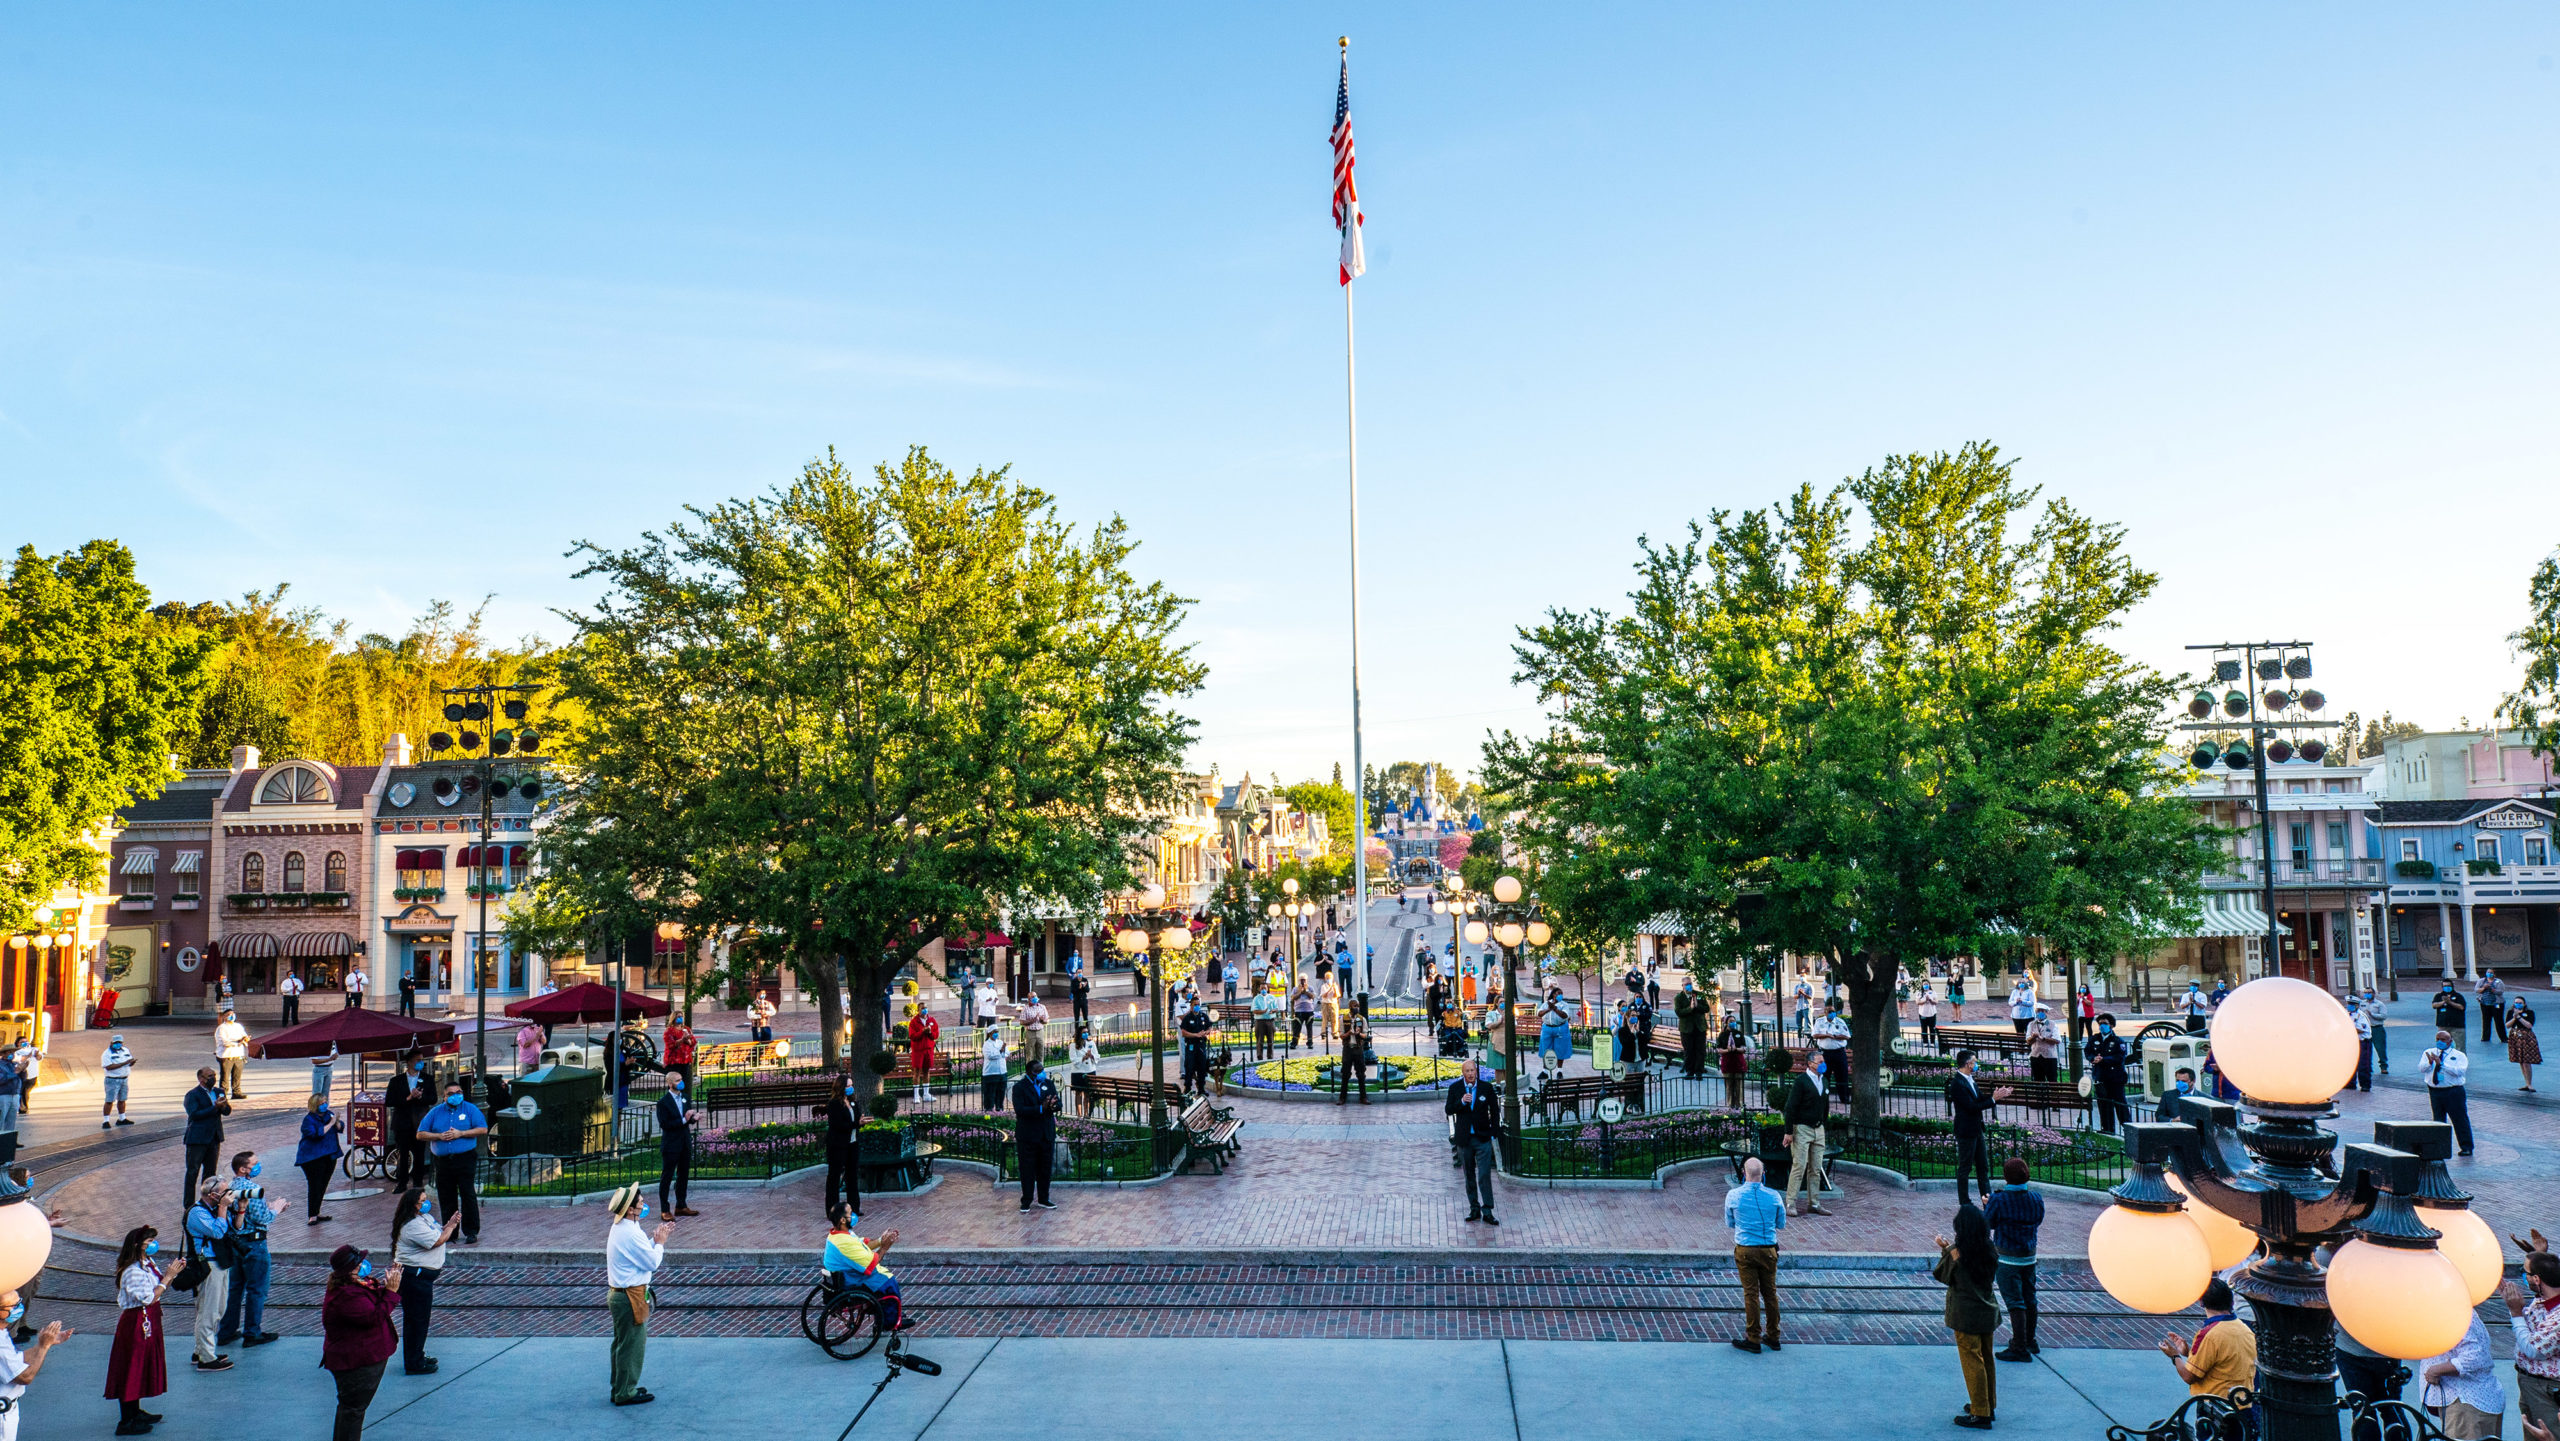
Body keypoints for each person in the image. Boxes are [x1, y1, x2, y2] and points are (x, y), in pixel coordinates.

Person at [319, 1244, 400, 1441]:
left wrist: (389, 1288)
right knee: (353, 1410)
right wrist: (391, 1292)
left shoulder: (354, 1286)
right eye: (360, 1263)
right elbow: (372, 1317)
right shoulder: (346, 1295)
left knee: (350, 1410)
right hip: (357, 1362)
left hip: (362, 1358)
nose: (364, 1265)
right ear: (351, 1269)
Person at [1935, 1205, 2002, 1429]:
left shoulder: (1959, 1253)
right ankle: (1987, 1404)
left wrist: (1945, 1249)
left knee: (1972, 1361)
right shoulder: (1990, 1250)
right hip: (1987, 1311)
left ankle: (1980, 1412)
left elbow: (1944, 1274)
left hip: (1966, 1315)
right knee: (1986, 1358)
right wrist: (1949, 1249)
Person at [604, 1184, 670, 1406]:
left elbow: (638, 1256)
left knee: (622, 1344)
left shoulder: (623, 1228)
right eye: (640, 1202)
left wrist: (654, 1241)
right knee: (632, 1345)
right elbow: (651, 1262)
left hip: (622, 1295)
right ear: (630, 1210)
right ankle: (625, 1392)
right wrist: (660, 1243)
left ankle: (620, 1387)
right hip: (630, 1297)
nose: (643, 1204)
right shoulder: (630, 1233)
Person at [104, 1226, 169, 1436]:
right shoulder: (132, 1270)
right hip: (136, 1323)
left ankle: (135, 1411)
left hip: (147, 1320)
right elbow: (149, 1297)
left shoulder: (146, 1264)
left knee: (139, 1366)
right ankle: (126, 1420)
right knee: (130, 1366)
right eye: (148, 1241)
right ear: (137, 1245)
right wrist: (169, 1277)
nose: (152, 1245)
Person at [390, 1186, 459, 1374]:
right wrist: (452, 1227)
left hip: (422, 1279)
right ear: (413, 1204)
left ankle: (417, 1355)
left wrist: (449, 1224)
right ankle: (414, 1362)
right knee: (416, 1321)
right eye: (422, 1200)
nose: (425, 1203)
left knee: (420, 1320)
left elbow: (439, 1232)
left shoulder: (423, 1218)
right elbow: (437, 1241)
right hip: (414, 1279)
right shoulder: (411, 1226)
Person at [2161, 1277, 2257, 1408]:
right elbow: (2223, 1362)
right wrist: (2189, 1353)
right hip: (2243, 1404)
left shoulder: (2209, 1334)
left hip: (2217, 1408)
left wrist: (2174, 1356)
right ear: (2231, 1301)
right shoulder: (2244, 1329)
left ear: (2201, 1302)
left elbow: (2189, 1377)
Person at [1724, 1154, 1785, 1353]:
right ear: (1763, 1174)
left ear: (1743, 1173)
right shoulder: (1774, 1196)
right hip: (1768, 1249)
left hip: (1746, 1249)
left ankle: (1753, 1337)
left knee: (1751, 1293)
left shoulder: (1733, 1195)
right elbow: (1781, 1224)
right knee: (1770, 1293)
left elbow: (1730, 1223)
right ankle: (1774, 1336)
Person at [215, 1151, 276, 1350]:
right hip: (255, 1243)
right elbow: (261, 1218)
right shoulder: (253, 1189)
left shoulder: (228, 1188)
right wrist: (276, 1208)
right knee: (256, 1289)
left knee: (234, 1289)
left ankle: (226, 1331)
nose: (258, 1166)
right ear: (243, 1168)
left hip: (234, 1244)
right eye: (255, 1163)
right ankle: (252, 1333)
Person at [1985, 1159, 2044, 1361]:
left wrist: (1987, 1204)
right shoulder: (2036, 1199)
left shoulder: (1999, 1199)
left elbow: (1988, 1223)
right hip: (2029, 1256)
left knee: (2015, 1301)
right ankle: (2030, 1340)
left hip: (2007, 1258)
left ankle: (2019, 1347)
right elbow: (2038, 1219)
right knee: (2030, 1298)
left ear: (2006, 1177)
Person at [418, 1076, 488, 1244]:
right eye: (452, 1093)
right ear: (445, 1097)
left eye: (459, 1092)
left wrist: (461, 1133)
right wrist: (438, 1136)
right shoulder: (435, 1112)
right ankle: (451, 1231)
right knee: (447, 1196)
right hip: (443, 1161)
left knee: (467, 1194)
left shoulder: (470, 1109)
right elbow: (420, 1133)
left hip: (464, 1159)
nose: (456, 1095)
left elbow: (483, 1129)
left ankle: (471, 1231)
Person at [820, 1203, 909, 1330]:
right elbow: (871, 1264)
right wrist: (884, 1247)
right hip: (851, 1280)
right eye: (851, 1213)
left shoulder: (840, 1234)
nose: (854, 1215)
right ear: (843, 1220)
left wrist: (880, 1240)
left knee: (884, 1278)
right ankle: (890, 1321)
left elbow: (862, 1244)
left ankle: (885, 1314)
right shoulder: (844, 1242)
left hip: (845, 1275)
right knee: (889, 1282)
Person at [2500, 1250, 2560, 1438]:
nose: (2521, 1276)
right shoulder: (2542, 1301)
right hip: (2528, 1383)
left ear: (2536, 1279)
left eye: (2523, 1272)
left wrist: (2515, 1312)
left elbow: (2533, 1349)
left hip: (2546, 1389)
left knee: (2549, 1436)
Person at [2419, 1309, 2503, 1439]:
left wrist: (2436, 1370)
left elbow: (2473, 1357)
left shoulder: (2455, 1313)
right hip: (2466, 1402)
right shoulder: (2455, 1311)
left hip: (2465, 1403)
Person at [183, 1178, 237, 1372]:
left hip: (220, 1262)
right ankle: (206, 1358)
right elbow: (217, 1232)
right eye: (225, 1191)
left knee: (218, 1309)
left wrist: (239, 1208)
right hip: (208, 1265)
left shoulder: (215, 1209)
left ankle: (201, 1351)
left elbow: (235, 1227)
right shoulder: (196, 1213)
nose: (228, 1194)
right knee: (209, 1311)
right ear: (213, 1195)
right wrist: (223, 1208)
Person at [1946, 1050, 2012, 1203]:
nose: (1976, 1065)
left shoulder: (1970, 1079)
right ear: (1968, 1064)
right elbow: (1971, 1107)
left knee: (1983, 1168)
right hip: (1966, 1131)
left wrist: (1995, 1097)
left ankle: (1987, 1201)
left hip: (1976, 1129)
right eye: (1974, 1062)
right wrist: (1992, 1100)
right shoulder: (1957, 1083)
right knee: (1965, 1168)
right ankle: (1964, 1201)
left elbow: (1979, 1099)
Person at [1446, 1059, 1501, 1224]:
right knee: (1469, 1174)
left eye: (1473, 1070)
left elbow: (1495, 1110)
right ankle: (1474, 1208)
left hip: (1482, 1137)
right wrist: (1462, 1102)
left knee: (1484, 1175)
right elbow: (1449, 1109)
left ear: (1476, 1071)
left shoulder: (1486, 1087)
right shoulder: (1455, 1088)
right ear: (1463, 1073)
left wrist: (1494, 1131)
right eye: (1467, 1071)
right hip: (1464, 1139)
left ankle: (1488, 1210)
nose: (1470, 1074)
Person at [1779, 1049, 1830, 1217]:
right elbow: (1790, 1107)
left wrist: (1823, 1124)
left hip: (1818, 1129)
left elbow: (1825, 1105)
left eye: (1823, 1061)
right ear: (1810, 1064)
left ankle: (1813, 1203)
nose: (1823, 1064)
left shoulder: (1825, 1081)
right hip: (1802, 1128)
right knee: (1799, 1166)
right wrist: (1789, 1132)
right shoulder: (1801, 1081)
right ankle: (1790, 1203)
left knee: (1816, 1168)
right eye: (1819, 1062)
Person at [1013, 1054, 1061, 1212]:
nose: (1042, 1073)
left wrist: (1053, 1105)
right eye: (1038, 1071)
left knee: (1045, 1168)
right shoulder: (1019, 1087)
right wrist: (1041, 1108)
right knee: (1027, 1168)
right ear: (1030, 1072)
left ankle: (1044, 1198)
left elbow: (1058, 1103)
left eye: (1043, 1070)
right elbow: (1020, 1110)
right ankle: (1026, 1200)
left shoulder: (1048, 1083)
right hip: (1028, 1135)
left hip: (1046, 1134)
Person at [180, 1068, 229, 1209]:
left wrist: (224, 1105)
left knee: (210, 1173)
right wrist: (214, 1107)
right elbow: (194, 1114)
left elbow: (227, 1111)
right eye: (210, 1076)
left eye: (214, 1075)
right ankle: (188, 1205)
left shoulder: (218, 1091)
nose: (213, 1078)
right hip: (197, 1139)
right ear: (201, 1078)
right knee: (192, 1172)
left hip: (214, 1138)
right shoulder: (192, 1095)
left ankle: (207, 1203)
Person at [2423, 1029, 2475, 1155]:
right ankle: (2439, 1147)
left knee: (2459, 1119)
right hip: (2435, 1091)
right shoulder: (2429, 1052)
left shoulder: (2459, 1055)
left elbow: (2459, 1072)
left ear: (2450, 1041)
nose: (2440, 1042)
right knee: (2438, 1120)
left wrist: (2442, 1065)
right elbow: (2422, 1068)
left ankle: (2466, 1147)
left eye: (2443, 1039)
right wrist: (2430, 1063)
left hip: (2453, 1091)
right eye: (2438, 1039)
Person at [655, 1073, 699, 1217]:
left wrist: (693, 1118)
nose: (681, 1082)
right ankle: (665, 1209)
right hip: (671, 1144)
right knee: (667, 1176)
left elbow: (687, 1119)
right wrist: (684, 1120)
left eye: (681, 1079)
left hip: (684, 1142)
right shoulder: (663, 1102)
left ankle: (681, 1205)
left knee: (683, 1174)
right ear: (670, 1083)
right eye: (677, 1080)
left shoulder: (685, 1097)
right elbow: (665, 1124)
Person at [298, 1093, 345, 1225]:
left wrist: (336, 1122)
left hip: (329, 1155)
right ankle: (312, 1215)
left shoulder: (328, 1114)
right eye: (321, 1103)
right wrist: (331, 1123)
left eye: (325, 1101)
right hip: (312, 1157)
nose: (325, 1104)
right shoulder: (309, 1120)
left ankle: (317, 1212)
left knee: (323, 1184)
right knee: (315, 1185)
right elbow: (316, 1133)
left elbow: (340, 1128)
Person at [383, 1056, 428, 1190]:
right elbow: (389, 1101)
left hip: (419, 1122)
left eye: (421, 1060)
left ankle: (418, 1182)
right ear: (409, 1062)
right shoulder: (396, 1081)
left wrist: (420, 1097)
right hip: (402, 1123)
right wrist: (408, 1098)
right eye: (417, 1060)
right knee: (402, 1153)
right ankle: (402, 1182)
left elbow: (432, 1098)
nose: (420, 1062)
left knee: (420, 1153)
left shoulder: (427, 1079)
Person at [2087, 1014, 2132, 1134]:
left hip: (2115, 1078)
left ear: (2111, 1025)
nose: (2102, 1026)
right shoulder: (2094, 1039)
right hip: (2101, 1077)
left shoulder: (2118, 1041)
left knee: (2120, 1105)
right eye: (2100, 1023)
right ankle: (2107, 1129)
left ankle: (2128, 1128)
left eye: (2105, 1023)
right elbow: (2088, 1051)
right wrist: (2093, 1058)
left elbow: (2120, 1057)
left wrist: (2104, 1060)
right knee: (2104, 1105)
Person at [96, 1032, 136, 1130]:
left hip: (124, 1079)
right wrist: (124, 1063)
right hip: (112, 1080)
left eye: (120, 1042)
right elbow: (108, 1067)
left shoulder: (125, 1050)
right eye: (116, 1042)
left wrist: (131, 1063)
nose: (118, 1044)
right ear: (111, 1043)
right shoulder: (107, 1053)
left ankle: (122, 1119)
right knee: (109, 1100)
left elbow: (128, 1062)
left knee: (122, 1099)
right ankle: (106, 1121)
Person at [1811, 1002, 1852, 1097]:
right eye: (1830, 1011)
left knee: (1842, 1075)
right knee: (1824, 1075)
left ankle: (1844, 1097)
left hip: (1838, 1052)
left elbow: (1847, 1036)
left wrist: (1834, 1036)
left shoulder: (1840, 1022)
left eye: (1833, 1011)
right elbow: (1815, 1035)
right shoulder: (1819, 1021)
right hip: (1825, 1054)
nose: (1832, 1013)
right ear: (1825, 1012)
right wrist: (1826, 1035)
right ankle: (1823, 1096)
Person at [1537, 986, 1574, 1078]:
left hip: (1560, 1028)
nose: (1560, 995)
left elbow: (1564, 1015)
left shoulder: (1564, 1004)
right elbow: (1539, 1013)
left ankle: (1559, 1071)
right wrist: (1549, 1009)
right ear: (1553, 994)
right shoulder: (1546, 1004)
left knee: (1560, 1049)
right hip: (1547, 1028)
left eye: (1561, 994)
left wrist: (1555, 1009)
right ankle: (1545, 1071)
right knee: (1546, 1050)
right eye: (1558, 993)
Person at [212, 1009, 250, 1099]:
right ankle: (223, 1095)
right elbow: (225, 1042)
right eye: (229, 1014)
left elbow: (244, 1036)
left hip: (238, 1053)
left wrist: (245, 1039)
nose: (231, 1016)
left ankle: (236, 1092)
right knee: (225, 1076)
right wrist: (238, 1042)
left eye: (233, 1014)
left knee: (237, 1075)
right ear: (224, 1017)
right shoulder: (221, 1028)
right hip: (226, 1055)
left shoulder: (238, 1026)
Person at [1714, 1014, 1750, 1109]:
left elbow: (1744, 1048)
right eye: (1730, 1022)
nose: (1733, 1023)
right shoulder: (1722, 1035)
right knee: (1729, 1086)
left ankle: (1740, 1105)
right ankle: (1730, 1105)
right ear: (1726, 1023)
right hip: (1727, 1063)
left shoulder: (1739, 1033)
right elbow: (1718, 1049)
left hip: (1738, 1063)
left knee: (1739, 1087)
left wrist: (1736, 1049)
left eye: (1734, 1021)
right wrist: (1727, 1050)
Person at [1178, 1000, 1213, 1096]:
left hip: (1201, 1046)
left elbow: (1209, 1027)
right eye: (1195, 1005)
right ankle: (1187, 1088)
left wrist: (1206, 1032)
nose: (1197, 1006)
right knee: (1189, 1067)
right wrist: (1195, 1035)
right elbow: (1184, 1032)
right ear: (1191, 1006)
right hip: (1191, 1046)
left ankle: (1201, 1088)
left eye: (1198, 1005)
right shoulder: (1187, 1018)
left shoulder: (1203, 1016)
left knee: (1202, 1068)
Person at [907, 1006, 939, 1101]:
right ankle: (916, 1096)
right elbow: (912, 1036)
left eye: (926, 1008)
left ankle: (926, 1094)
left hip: (928, 1050)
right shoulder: (914, 1022)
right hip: (918, 1050)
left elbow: (936, 1034)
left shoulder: (931, 1020)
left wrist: (929, 1033)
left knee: (926, 1071)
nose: (925, 1010)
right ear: (918, 1010)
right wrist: (922, 1032)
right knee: (916, 1072)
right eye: (922, 1008)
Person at [2511, 1000, 2541, 1092]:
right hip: (2515, 1036)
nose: (2518, 1004)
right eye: (2516, 1002)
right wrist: (2514, 1018)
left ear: (2524, 1004)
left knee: (2526, 1061)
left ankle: (2529, 1084)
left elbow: (2529, 1025)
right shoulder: (2511, 1012)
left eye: (2520, 1002)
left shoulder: (2529, 1013)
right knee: (2520, 1061)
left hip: (2527, 1037)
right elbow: (2507, 1025)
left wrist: (2519, 1017)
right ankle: (2526, 1083)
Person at [978, 1023, 1010, 1111]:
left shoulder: (1000, 1042)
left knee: (1001, 1093)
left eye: (997, 1032)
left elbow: (1007, 1053)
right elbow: (990, 1056)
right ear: (990, 1033)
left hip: (1002, 1072)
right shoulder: (986, 1044)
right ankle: (989, 1111)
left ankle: (999, 1109)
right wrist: (1000, 1052)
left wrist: (1002, 1052)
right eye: (994, 1032)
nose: (996, 1033)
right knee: (990, 1095)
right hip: (991, 1073)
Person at [2025, 1007, 2061, 1083]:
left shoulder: (2052, 1024)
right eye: (2038, 1011)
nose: (2040, 1013)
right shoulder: (2031, 1024)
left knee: (2052, 1080)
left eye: (2042, 1011)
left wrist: (2044, 1038)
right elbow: (2028, 1041)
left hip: (2049, 1056)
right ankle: (2040, 1094)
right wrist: (2033, 1037)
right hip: (2035, 1055)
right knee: (2038, 1080)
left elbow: (2057, 1040)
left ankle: (2053, 1094)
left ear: (2046, 1012)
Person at [2347, 996, 2375, 1093]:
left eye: (2351, 1004)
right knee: (2350, 1064)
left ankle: (2365, 1085)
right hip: (2352, 1042)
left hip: (2363, 1042)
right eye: (2348, 1004)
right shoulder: (2347, 1014)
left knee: (2364, 1065)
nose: (2349, 1006)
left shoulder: (2361, 1016)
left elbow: (2361, 1030)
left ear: (2357, 1005)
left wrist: (2348, 1027)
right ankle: (2350, 1083)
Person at [662, 1018, 696, 1089]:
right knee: (673, 1082)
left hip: (684, 1060)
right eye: (678, 1017)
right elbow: (670, 1045)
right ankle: (673, 1097)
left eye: (681, 1016)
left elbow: (692, 1042)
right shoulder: (669, 1031)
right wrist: (682, 1039)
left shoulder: (686, 1029)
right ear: (673, 1018)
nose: (680, 1019)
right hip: (673, 1061)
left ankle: (681, 1097)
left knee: (683, 1081)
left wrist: (688, 1039)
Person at [2364, 988, 2390, 1074]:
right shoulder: (2362, 1004)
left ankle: (2383, 1066)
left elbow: (2384, 1016)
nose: (2367, 994)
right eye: (2366, 993)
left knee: (2380, 1049)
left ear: (2374, 994)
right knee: (2366, 1049)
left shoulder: (2379, 1004)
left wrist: (2372, 1015)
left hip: (2377, 1028)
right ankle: (2368, 1067)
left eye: (2369, 993)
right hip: (2366, 1029)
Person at [1020, 995, 1050, 1063]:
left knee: (1040, 1051)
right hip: (1030, 1032)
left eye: (1035, 996)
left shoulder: (1042, 1007)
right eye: (1033, 997)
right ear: (1029, 999)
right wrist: (1032, 1020)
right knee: (1030, 1052)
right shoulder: (1025, 1008)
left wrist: (1043, 1020)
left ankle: (1040, 1069)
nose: (1035, 998)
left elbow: (1047, 1020)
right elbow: (1022, 1022)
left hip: (1040, 1031)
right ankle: (1030, 1070)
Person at [2481, 974, 2508, 1046]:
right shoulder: (2482, 981)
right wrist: (2484, 987)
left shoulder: (2499, 982)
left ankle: (2503, 1037)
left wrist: (2493, 990)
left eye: (2491, 972)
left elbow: (2501, 991)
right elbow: (2477, 990)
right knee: (2486, 1020)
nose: (2489, 974)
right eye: (2488, 972)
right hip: (2485, 1003)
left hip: (2496, 1003)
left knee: (2499, 1021)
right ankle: (2485, 1037)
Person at [1290, 980, 1317, 1050]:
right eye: (1301, 980)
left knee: (1309, 1028)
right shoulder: (1295, 989)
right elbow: (1293, 997)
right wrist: (1300, 992)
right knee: (1297, 1028)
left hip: (1309, 1010)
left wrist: (1306, 991)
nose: (1303, 983)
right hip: (1299, 1011)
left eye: (1304, 980)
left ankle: (1310, 1043)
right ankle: (1294, 1043)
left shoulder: (1310, 988)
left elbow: (1313, 996)